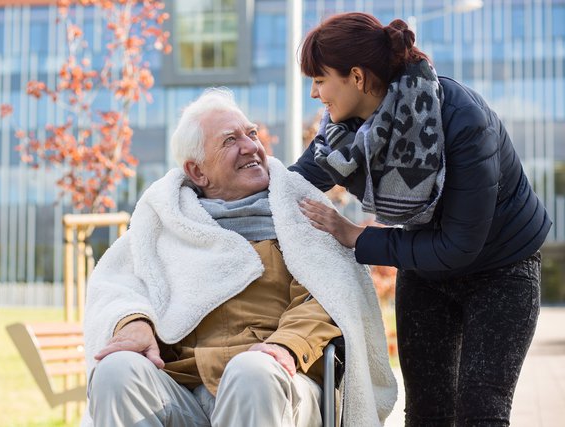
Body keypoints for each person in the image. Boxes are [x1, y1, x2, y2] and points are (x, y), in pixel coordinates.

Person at [291, 12, 552, 427]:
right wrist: (212, 191)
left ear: (356, 77)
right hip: (426, 268)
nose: (314, 93)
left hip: (501, 268)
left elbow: (459, 246)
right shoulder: (343, 132)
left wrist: (358, 237)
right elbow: (295, 185)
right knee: (428, 411)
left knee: (480, 411)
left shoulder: (463, 119)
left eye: (320, 79)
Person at [83, 88, 397, 427]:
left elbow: (328, 292)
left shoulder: (298, 216)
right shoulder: (167, 224)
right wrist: (134, 322)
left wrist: (287, 346)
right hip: (181, 384)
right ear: (198, 172)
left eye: (251, 133)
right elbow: (117, 283)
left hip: (275, 375)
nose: (251, 146)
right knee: (115, 371)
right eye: (230, 140)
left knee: (252, 373)